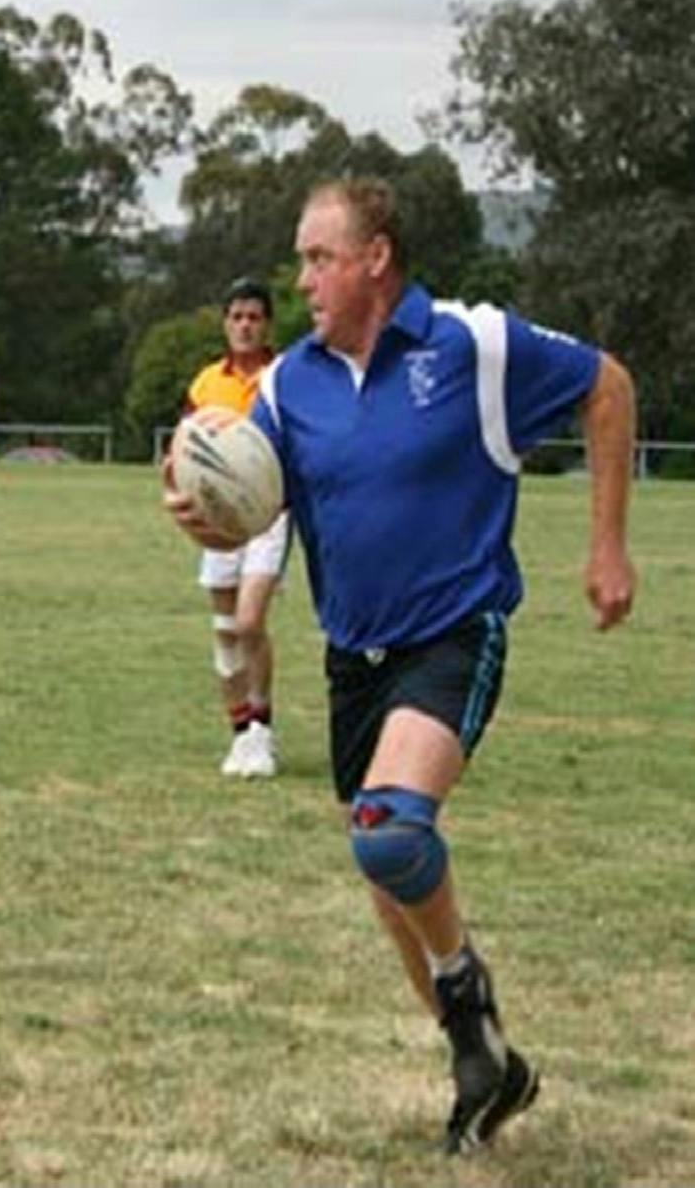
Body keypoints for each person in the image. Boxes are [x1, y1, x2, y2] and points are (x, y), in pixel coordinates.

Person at [165, 177, 636, 1154]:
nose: (302, 281)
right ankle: (482, 1057)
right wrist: (207, 504)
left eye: (318, 258)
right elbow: (260, 493)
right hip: (355, 657)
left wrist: (606, 546)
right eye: (299, 260)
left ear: (375, 258)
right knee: (386, 875)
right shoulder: (291, 382)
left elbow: (608, 385)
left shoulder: (474, 344)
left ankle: (463, 984)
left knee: (388, 832)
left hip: (454, 632)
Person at [178, 278, 289, 779]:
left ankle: (263, 729)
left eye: (254, 317)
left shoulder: (284, 377)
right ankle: (240, 733)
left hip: (269, 515)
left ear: (267, 324)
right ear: (225, 323)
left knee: (249, 622)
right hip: (218, 519)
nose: (245, 326)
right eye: (237, 317)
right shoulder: (205, 384)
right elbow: (183, 452)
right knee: (225, 632)